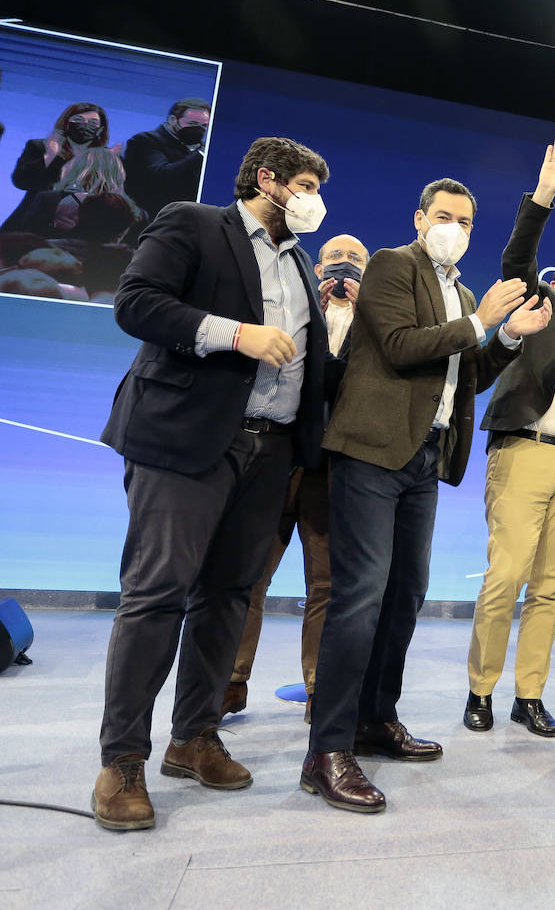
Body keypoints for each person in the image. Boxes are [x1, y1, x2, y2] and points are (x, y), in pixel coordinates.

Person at [91, 136, 332, 831]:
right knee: (157, 593)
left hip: (270, 451)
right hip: (185, 439)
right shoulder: (194, 222)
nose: (314, 199)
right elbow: (136, 303)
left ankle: (193, 736)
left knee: (228, 596)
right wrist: (235, 333)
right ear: (268, 178)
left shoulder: (303, 268)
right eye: (307, 184)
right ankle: (122, 762)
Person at [302, 178, 550, 813]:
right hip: (370, 449)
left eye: (466, 222)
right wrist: (480, 321)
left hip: (425, 457)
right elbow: (398, 346)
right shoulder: (391, 265)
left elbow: (468, 373)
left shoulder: (465, 292)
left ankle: (374, 719)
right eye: (445, 217)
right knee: (360, 593)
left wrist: (508, 337)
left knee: (406, 592)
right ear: (419, 219)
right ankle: (325, 749)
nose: (456, 229)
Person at [464, 141, 555, 738]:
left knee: (549, 590)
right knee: (506, 578)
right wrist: (545, 195)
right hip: (523, 454)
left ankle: (530, 696)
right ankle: (481, 690)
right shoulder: (542, 311)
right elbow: (517, 258)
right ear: (553, 284)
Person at [223, 234, 369, 724]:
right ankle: (229, 684)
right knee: (247, 579)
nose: (344, 267)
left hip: (331, 473)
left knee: (325, 586)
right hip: (276, 462)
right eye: (334, 258)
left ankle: (318, 692)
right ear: (315, 268)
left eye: (355, 260)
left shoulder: (376, 327)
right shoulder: (291, 313)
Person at [1, 102, 114, 232]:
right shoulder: (39, 146)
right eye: (78, 120)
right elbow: (21, 182)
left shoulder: (107, 158)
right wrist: (50, 157)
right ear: (66, 123)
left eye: (93, 123)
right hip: (32, 223)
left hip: (78, 228)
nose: (85, 126)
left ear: (101, 129)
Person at [8, 147, 142, 240]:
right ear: (119, 173)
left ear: (75, 167)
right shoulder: (137, 213)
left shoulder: (49, 199)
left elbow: (27, 233)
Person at [123, 98, 211, 224]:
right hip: (149, 223)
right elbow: (161, 176)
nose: (199, 130)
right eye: (192, 123)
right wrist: (201, 154)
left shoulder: (200, 149)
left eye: (204, 126)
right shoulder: (144, 141)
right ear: (173, 120)